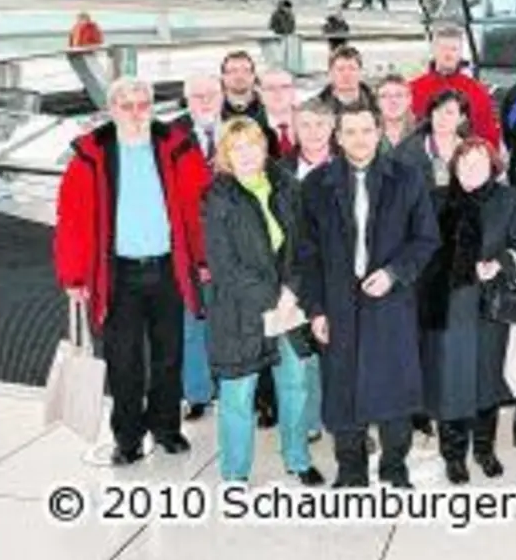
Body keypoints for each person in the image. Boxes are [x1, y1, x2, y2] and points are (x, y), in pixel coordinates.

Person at [54, 77, 210, 464]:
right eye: (128, 106)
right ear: (112, 110)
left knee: (168, 356)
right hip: (116, 275)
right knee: (124, 361)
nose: (137, 113)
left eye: (144, 105)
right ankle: (127, 438)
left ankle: (166, 428)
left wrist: (203, 258)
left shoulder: (176, 146)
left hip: (168, 269)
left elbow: (199, 207)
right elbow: (70, 220)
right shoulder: (91, 154)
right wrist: (74, 277)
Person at [298, 107, 442, 488]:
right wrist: (315, 310)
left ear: (379, 132)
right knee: (342, 394)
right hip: (337, 305)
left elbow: (426, 239)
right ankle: (351, 472)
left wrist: (394, 273)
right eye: (350, 131)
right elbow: (305, 254)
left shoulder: (408, 179)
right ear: (338, 137)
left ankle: (395, 469)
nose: (359, 138)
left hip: (391, 304)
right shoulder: (315, 185)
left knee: (394, 394)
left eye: (366, 130)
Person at [202, 119, 324, 486]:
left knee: (296, 383)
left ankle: (298, 459)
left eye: (252, 145)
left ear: (264, 147)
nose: (246, 155)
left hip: (289, 303)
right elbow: (224, 266)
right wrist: (275, 298)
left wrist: (291, 291)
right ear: (225, 154)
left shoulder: (288, 186)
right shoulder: (217, 197)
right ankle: (235, 474)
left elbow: (305, 247)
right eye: (236, 148)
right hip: (240, 310)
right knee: (238, 392)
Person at [419, 138, 516, 484]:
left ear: (492, 166)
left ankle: (484, 449)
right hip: (446, 306)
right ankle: (453, 455)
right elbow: (420, 247)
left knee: (486, 379)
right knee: (449, 382)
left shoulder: (508, 201)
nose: (472, 168)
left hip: (488, 306)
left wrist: (500, 263)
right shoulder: (435, 200)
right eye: (465, 162)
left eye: (480, 161)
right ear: (454, 166)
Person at [172, 75, 223, 421]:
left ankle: (236, 388)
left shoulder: (240, 130)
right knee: (191, 322)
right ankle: (197, 392)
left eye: (210, 94)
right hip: (187, 246)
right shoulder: (171, 136)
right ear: (186, 100)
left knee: (234, 323)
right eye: (196, 96)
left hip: (233, 244)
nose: (204, 101)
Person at [409, 25, 502, 151]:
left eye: (454, 49)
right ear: (434, 50)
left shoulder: (477, 91)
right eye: (444, 48)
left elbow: (488, 134)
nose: (448, 54)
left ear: (460, 53)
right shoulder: (413, 89)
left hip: (466, 162)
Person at [397, 90, 469, 191]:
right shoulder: (408, 149)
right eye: (437, 111)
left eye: (449, 113)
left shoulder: (470, 150)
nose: (441, 118)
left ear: (461, 118)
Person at [220, 51, 278, 156]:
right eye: (233, 70)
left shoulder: (270, 112)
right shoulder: (214, 114)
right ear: (223, 77)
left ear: (253, 76)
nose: (239, 75)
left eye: (246, 70)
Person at [316, 45, 378, 119]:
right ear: (330, 73)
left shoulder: (377, 105)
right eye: (340, 69)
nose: (346, 74)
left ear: (361, 72)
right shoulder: (316, 108)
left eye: (352, 69)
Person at [375, 74, 416, 158]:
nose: (393, 101)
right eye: (385, 96)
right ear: (377, 102)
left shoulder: (423, 135)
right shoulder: (367, 135)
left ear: (409, 99)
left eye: (399, 95)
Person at [260, 68, 299, 156]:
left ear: (294, 91)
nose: (278, 92)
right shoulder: (251, 126)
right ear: (261, 94)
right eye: (270, 88)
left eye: (284, 87)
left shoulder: (313, 120)